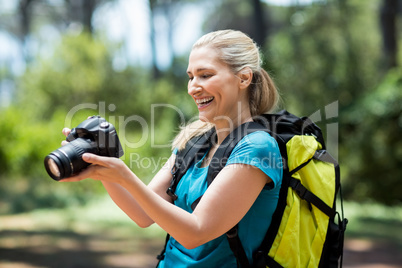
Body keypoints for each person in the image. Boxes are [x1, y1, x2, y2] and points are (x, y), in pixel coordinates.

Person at [61, 29, 283, 267]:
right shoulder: (194, 140)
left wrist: (124, 175)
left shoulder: (257, 148)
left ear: (244, 78)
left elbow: (195, 232)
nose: (193, 88)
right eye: (191, 77)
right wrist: (101, 164)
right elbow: (142, 214)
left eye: (205, 75)